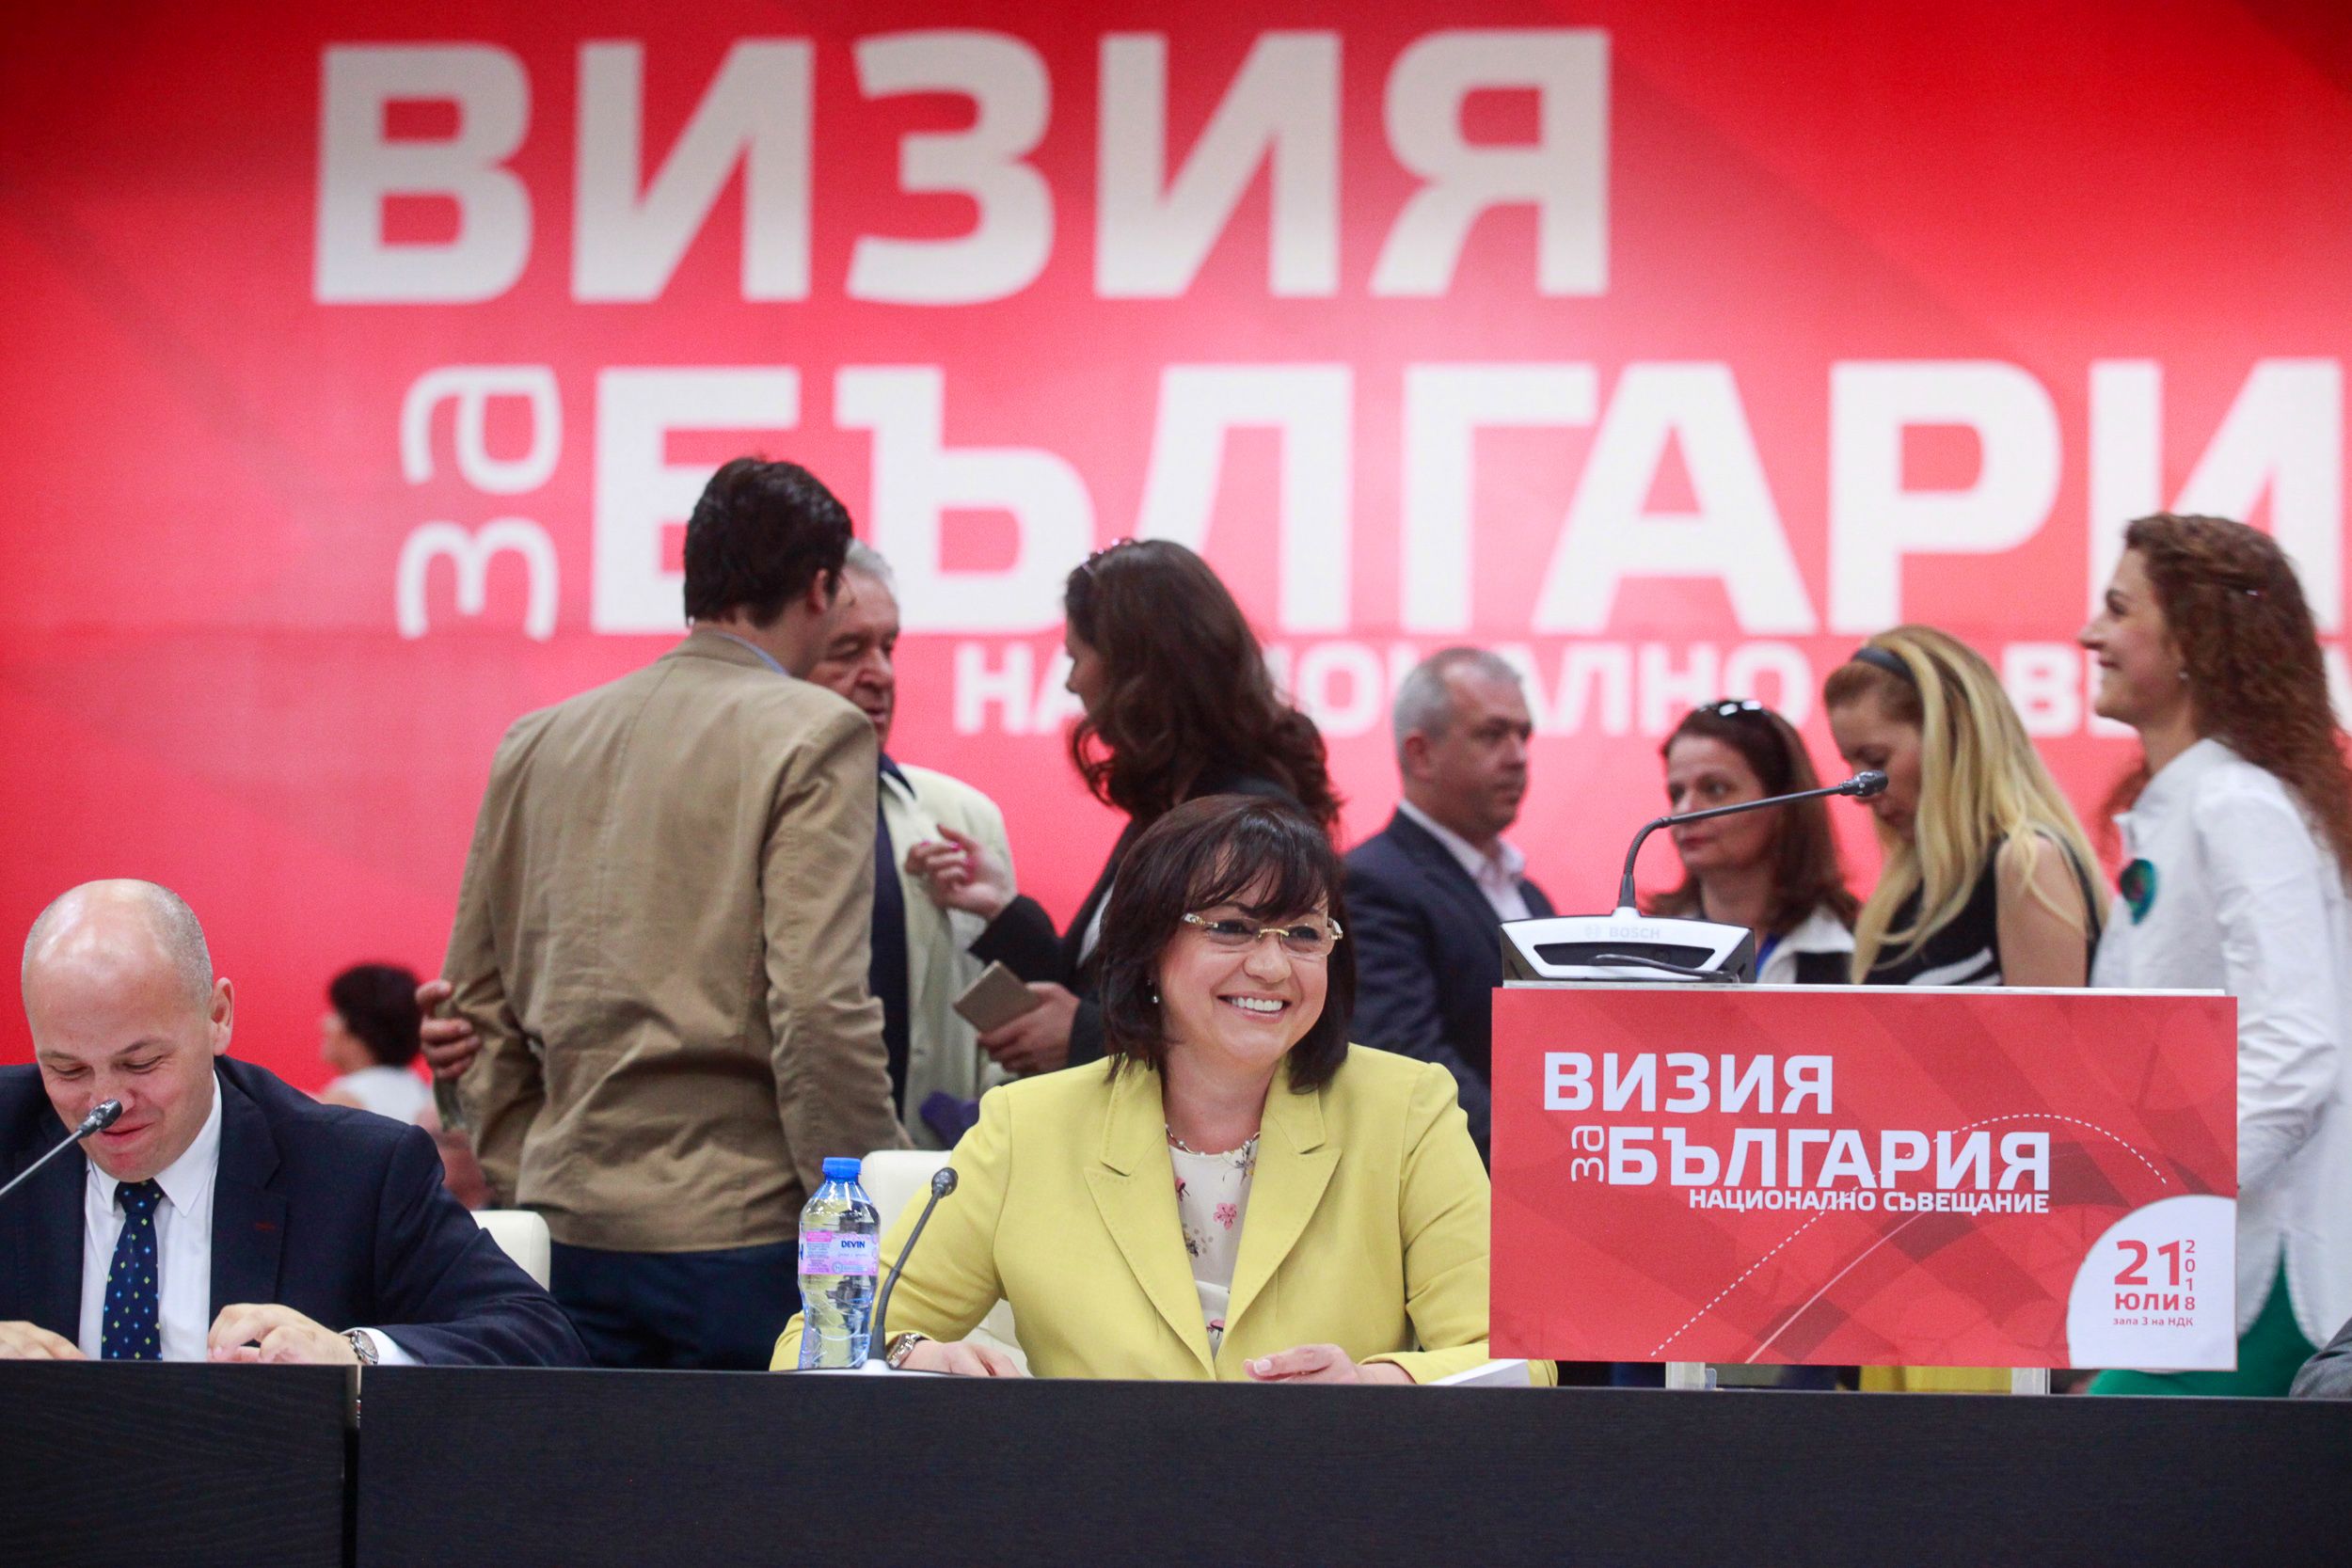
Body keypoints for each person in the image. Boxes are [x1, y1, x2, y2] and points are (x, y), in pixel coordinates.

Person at [774, 794, 1550, 1385]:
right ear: (1149, 949)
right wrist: (913, 1354)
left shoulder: (1406, 1109)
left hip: (1324, 1502)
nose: (1272, 966)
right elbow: (815, 1341)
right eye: (1231, 927)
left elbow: (1518, 1357)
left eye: (1303, 934)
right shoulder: (1029, 1125)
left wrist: (1376, 1385)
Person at [432, 457, 906, 1370]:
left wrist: (530, 1166)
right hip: (743, 1237)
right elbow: (818, 1009)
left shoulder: (538, 739)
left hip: (565, 1225)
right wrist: (865, 1211)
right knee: (763, 1471)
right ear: (821, 587)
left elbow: (471, 999)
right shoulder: (816, 731)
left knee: (584, 1470)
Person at [0, 880, 579, 1366]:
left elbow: (538, 1338)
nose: (105, 1104)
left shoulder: (355, 1169)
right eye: (68, 1070)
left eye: (142, 1063)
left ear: (218, 1017)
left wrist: (355, 1355)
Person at [2077, 514, 2352, 1397]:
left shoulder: (2238, 804)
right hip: (2198, 1269)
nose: (2090, 633)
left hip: (2266, 1277)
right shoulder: (2193, 803)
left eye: (2119, 609)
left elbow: (2297, 1052)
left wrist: (2159, 1189)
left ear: (2194, 638)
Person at [905, 539, 1339, 1078]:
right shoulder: (1168, 807)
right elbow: (1108, 984)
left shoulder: (1243, 819)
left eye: (1076, 657)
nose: (1070, 681)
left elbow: (1262, 1015)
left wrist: (1084, 1037)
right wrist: (1001, 909)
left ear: (1134, 667)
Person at [804, 542, 1017, 1147]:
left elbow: (1009, 1028)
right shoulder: (737, 816)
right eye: (848, 651)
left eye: (888, 647)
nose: (881, 674)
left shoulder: (961, 817)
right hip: (779, 1180)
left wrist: (986, 1133)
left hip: (929, 1175)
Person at [1343, 648, 1552, 1156]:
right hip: (1467, 1179)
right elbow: (1405, 1058)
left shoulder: (1530, 896)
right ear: (1421, 754)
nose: (1518, 756)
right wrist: (1536, 1159)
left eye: (1523, 735)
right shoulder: (1370, 883)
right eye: (1492, 734)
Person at [1824, 626, 2101, 988]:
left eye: (1876, 760)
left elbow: (2047, 1027)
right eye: (1851, 764)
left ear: (1951, 737)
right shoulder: (1905, 891)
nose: (1860, 792)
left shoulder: (2026, 866)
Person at [1646, 699, 1857, 984]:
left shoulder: (1860, 947)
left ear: (1783, 803)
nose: (1685, 811)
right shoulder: (1646, 951)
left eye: (1715, 789)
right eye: (1676, 794)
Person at [317, 961, 431, 1124]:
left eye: (336, 1013)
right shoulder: (422, 1092)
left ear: (359, 1027)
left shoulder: (344, 1099)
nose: (324, 1023)